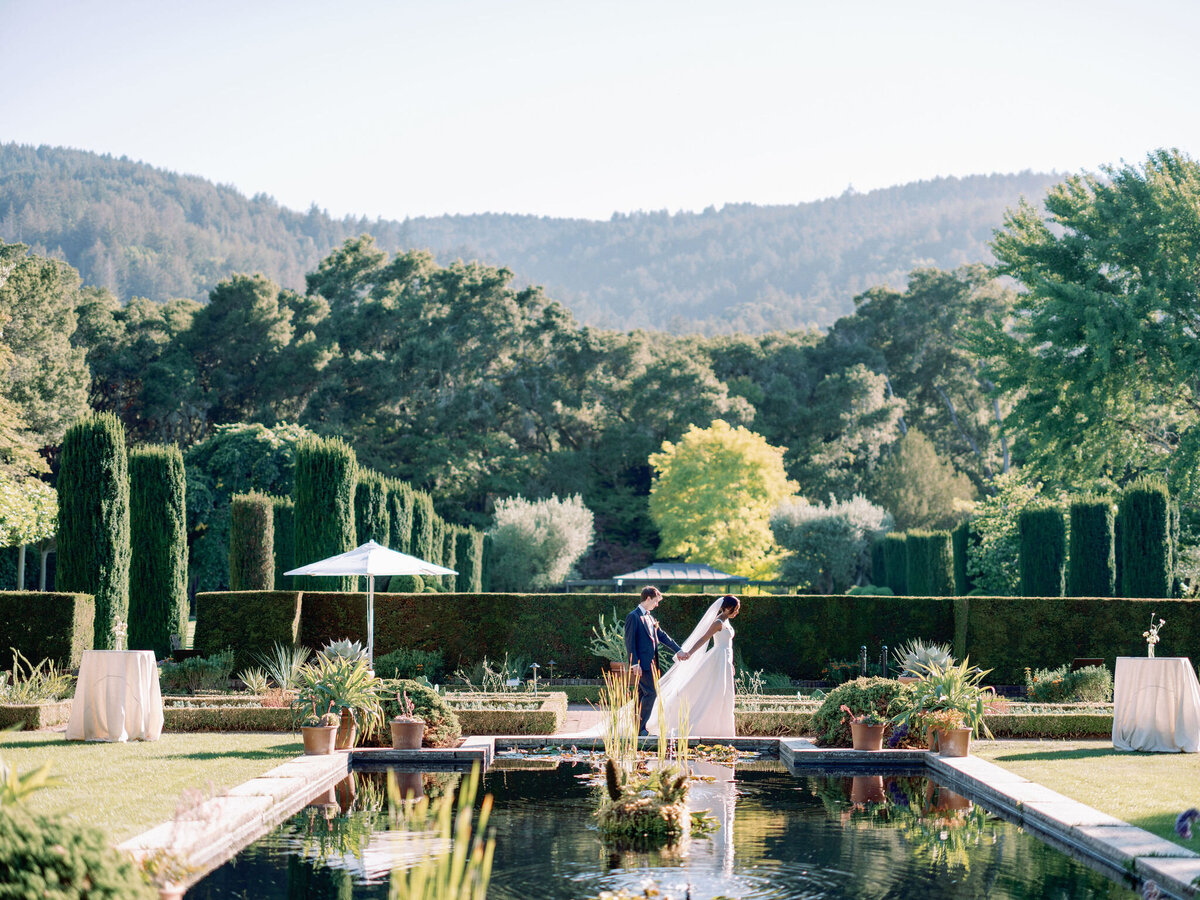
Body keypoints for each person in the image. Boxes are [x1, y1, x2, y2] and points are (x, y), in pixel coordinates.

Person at [648, 594, 740, 738]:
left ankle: (722, 730)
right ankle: (703, 727)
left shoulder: (726, 622)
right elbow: (704, 638)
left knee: (725, 694)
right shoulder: (718, 623)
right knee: (715, 692)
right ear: (728, 608)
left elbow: (728, 645)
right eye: (736, 609)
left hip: (725, 661)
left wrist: (731, 664)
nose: (737, 612)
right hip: (717, 660)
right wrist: (689, 653)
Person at [625, 586, 689, 736]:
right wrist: (634, 664)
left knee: (642, 695)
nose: (657, 604)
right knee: (651, 693)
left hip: (652, 663)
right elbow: (630, 642)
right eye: (656, 601)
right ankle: (640, 729)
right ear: (648, 598)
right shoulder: (633, 617)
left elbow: (663, 636)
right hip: (641, 664)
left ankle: (637, 727)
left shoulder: (650, 617)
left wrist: (678, 650)